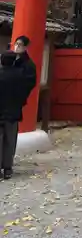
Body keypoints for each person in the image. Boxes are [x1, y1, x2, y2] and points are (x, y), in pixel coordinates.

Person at [0, 35, 36, 180]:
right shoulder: (21, 74)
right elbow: (26, 88)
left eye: (20, 44)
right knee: (10, 140)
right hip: (13, 110)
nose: (17, 46)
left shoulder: (25, 65)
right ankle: (8, 167)